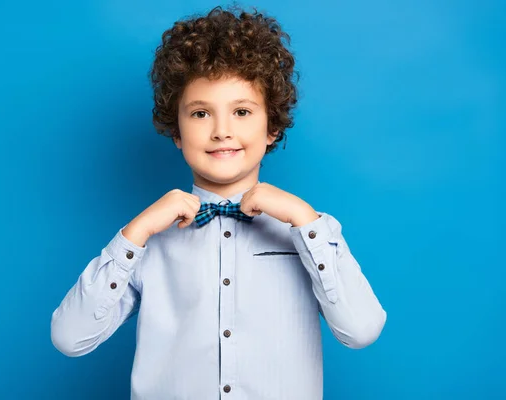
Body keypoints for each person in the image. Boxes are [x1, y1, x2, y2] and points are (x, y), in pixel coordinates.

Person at [51, 6, 386, 399]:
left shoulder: (308, 233)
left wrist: (304, 219)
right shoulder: (148, 241)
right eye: (200, 113)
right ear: (177, 132)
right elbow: (69, 338)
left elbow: (361, 331)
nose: (222, 131)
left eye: (242, 111)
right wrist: (135, 233)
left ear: (271, 127)